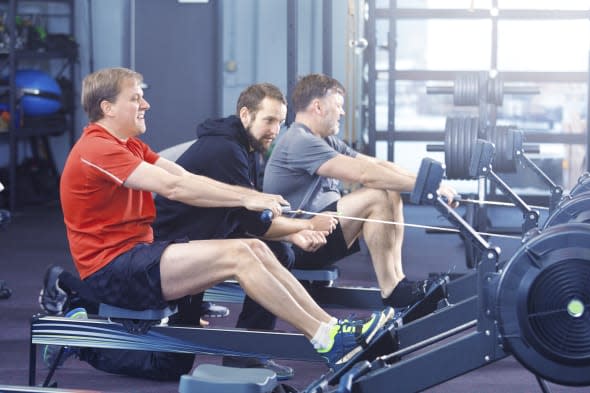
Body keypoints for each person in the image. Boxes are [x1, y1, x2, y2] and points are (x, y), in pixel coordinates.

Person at [47, 67, 394, 380]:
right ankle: (327, 338)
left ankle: (332, 329)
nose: (146, 105)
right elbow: (175, 188)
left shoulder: (131, 146)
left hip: (143, 255)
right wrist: (246, 197)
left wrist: (243, 196)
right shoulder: (96, 149)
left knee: (255, 248)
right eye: (136, 98)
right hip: (113, 269)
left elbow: (182, 174)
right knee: (243, 255)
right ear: (107, 107)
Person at [153, 82, 337, 378]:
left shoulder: (245, 145)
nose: (275, 129)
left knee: (279, 252)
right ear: (245, 114)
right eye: (269, 120)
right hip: (173, 247)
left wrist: (291, 233)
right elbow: (252, 222)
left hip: (207, 234)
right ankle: (79, 315)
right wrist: (305, 225)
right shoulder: (225, 149)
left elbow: (246, 218)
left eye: (280, 121)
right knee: (170, 367)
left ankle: (248, 354)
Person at [263, 73, 458, 318]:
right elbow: (365, 174)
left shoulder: (325, 141)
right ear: (318, 106)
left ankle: (398, 281)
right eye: (339, 106)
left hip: (321, 231)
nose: (342, 113)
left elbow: (376, 164)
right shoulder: (299, 141)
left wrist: (429, 182)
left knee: (387, 188)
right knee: (376, 194)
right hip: (299, 243)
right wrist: (424, 186)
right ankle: (393, 290)